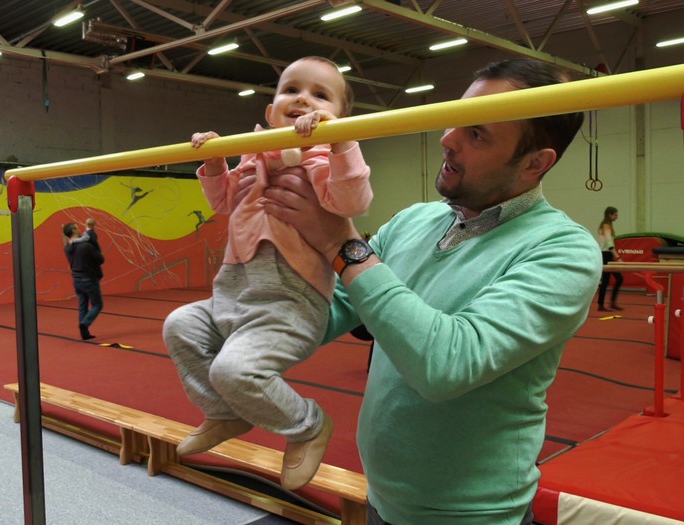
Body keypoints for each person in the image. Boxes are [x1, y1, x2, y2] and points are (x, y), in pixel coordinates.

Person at [259, 58, 602, 524]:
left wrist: (340, 241)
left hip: (473, 516)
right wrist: (233, 326)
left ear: (534, 164)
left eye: (476, 133)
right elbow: (326, 309)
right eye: (455, 119)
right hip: (381, 500)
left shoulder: (565, 251)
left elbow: (446, 365)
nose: (447, 138)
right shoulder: (414, 220)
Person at [162, 56, 372, 490]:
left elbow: (351, 202)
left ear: (338, 116)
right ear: (269, 109)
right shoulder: (253, 152)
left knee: (235, 371)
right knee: (179, 324)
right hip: (232, 295)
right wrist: (218, 163)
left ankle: (308, 425)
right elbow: (223, 203)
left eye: (320, 95)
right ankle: (225, 413)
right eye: (290, 90)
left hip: (288, 302)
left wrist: (341, 142)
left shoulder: (319, 157)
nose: (302, 99)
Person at [63, 222, 105, 340]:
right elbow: (100, 259)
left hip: (77, 279)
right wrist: (94, 241)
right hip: (89, 279)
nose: (80, 229)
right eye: (77, 228)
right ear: (74, 231)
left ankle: (84, 333)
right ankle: (85, 324)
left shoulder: (67, 247)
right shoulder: (86, 246)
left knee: (83, 305)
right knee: (97, 304)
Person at [597, 206, 623, 311]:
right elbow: (609, 244)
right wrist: (618, 257)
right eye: (615, 214)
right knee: (606, 281)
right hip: (606, 255)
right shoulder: (606, 226)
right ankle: (601, 305)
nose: (617, 217)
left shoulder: (607, 226)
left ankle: (611, 302)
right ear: (610, 215)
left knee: (619, 279)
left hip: (608, 255)